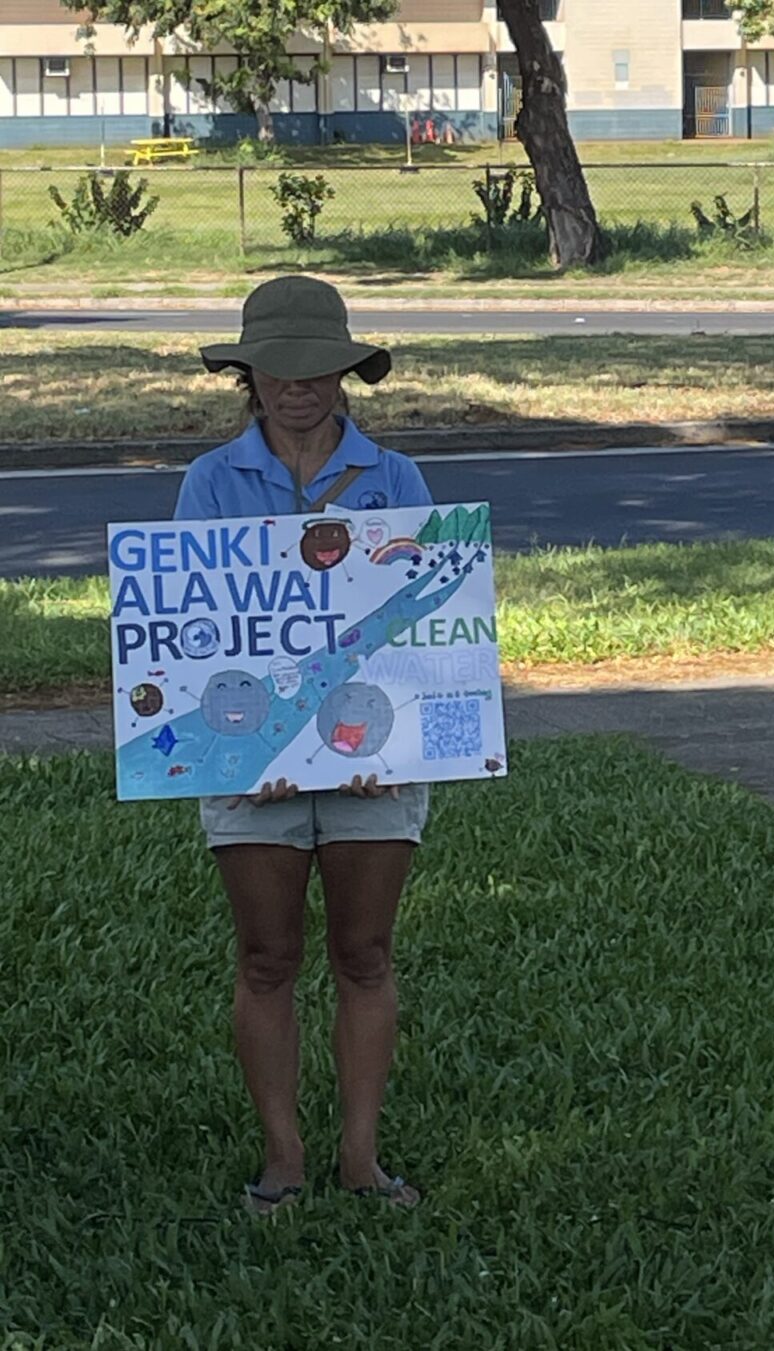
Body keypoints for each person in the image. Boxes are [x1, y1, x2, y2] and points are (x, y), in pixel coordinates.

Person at [175, 275, 433, 1214]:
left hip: (373, 755)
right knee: (266, 957)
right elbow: (188, 632)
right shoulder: (210, 482)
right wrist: (246, 753)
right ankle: (284, 1158)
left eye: (318, 365)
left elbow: (420, 624)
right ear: (248, 375)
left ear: (345, 371)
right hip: (246, 760)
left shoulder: (395, 479)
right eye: (278, 367)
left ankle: (361, 1159)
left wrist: (389, 738)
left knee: (364, 953)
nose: (298, 385)